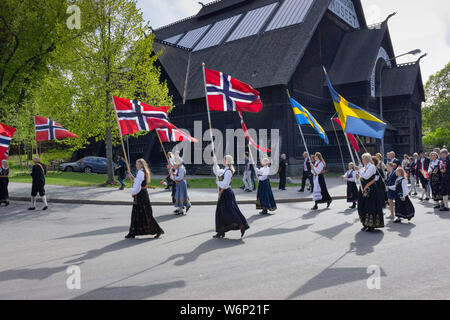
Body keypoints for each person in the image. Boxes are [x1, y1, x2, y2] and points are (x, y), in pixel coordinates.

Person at [125, 159, 164, 239]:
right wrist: (133, 179)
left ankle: (157, 230)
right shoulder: (142, 173)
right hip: (143, 194)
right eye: (136, 164)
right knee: (139, 214)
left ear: (142, 165)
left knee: (144, 214)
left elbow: (138, 186)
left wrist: (133, 193)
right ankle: (132, 232)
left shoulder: (140, 173)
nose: (136, 165)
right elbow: (139, 182)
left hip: (140, 195)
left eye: (138, 164)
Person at [212, 155, 249, 238]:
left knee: (232, 211)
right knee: (220, 212)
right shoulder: (225, 170)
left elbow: (225, 184)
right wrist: (215, 162)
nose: (223, 160)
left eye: (224, 159)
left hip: (227, 193)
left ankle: (241, 225)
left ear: (227, 161)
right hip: (224, 193)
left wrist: (218, 183)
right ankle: (221, 231)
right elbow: (217, 172)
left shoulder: (228, 171)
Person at [356, 153, 384, 232]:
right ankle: (365, 223)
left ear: (368, 159)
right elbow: (359, 179)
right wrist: (357, 176)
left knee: (370, 206)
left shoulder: (372, 167)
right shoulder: (363, 168)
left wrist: (360, 171)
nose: (363, 160)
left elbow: (366, 176)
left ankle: (371, 225)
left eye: (364, 158)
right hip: (362, 188)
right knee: (361, 205)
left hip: (371, 189)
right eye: (362, 159)